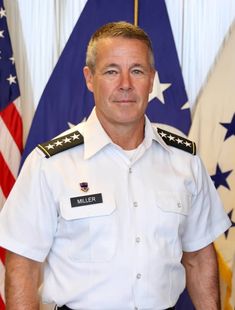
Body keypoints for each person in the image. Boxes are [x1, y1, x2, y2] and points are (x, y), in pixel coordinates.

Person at [0, 21, 231, 310]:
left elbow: (198, 258)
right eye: (111, 71)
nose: (125, 84)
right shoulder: (50, 164)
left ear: (151, 79)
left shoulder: (184, 159)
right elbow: (24, 265)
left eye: (137, 70)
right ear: (89, 78)